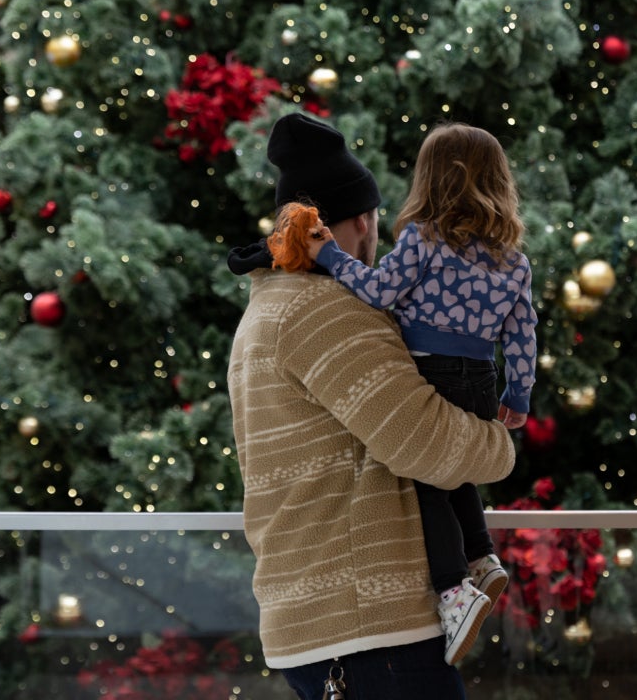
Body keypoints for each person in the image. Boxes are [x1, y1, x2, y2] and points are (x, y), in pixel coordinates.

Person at [226, 112, 516, 700]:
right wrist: (501, 446)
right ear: (363, 219)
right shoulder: (325, 310)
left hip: (333, 623)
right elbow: (423, 442)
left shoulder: (270, 306)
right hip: (366, 630)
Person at [304, 122, 537, 665]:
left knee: (428, 478)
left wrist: (331, 258)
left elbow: (378, 289)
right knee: (455, 470)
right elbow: (523, 334)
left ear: (429, 180)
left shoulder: (423, 239)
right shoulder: (513, 261)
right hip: (480, 379)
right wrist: (518, 394)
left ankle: (454, 591)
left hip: (429, 371)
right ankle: (482, 556)